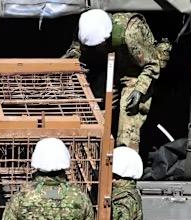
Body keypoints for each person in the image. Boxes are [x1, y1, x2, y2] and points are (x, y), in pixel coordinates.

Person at [64, 9, 170, 151]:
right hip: (108, 69)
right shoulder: (86, 27)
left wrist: (140, 89)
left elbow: (152, 64)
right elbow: (76, 51)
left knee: (128, 123)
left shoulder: (131, 32)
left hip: (136, 74)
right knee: (94, 110)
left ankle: (124, 163)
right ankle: (95, 155)